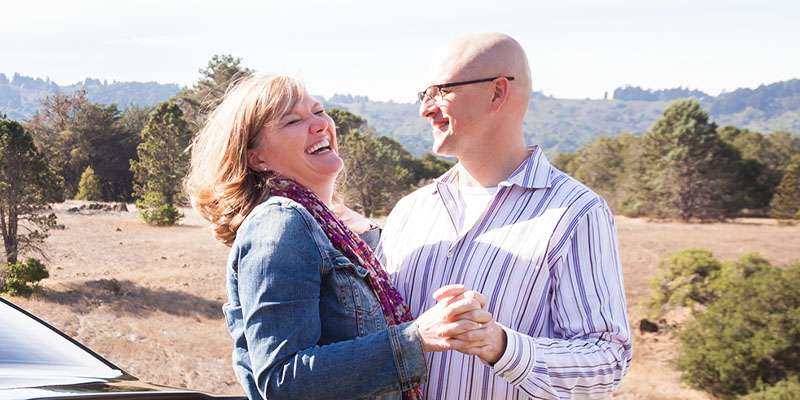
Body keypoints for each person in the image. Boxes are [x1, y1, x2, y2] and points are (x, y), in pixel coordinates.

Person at [185, 75, 492, 400]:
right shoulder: (280, 223)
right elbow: (283, 380)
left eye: (318, 111)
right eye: (293, 120)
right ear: (257, 158)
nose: (319, 124)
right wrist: (417, 338)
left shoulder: (341, 230)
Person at [376, 32, 633, 399]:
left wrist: (501, 345)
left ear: (498, 92)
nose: (425, 109)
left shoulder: (576, 212)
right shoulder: (408, 212)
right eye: (424, 94)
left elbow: (606, 362)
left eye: (441, 91)